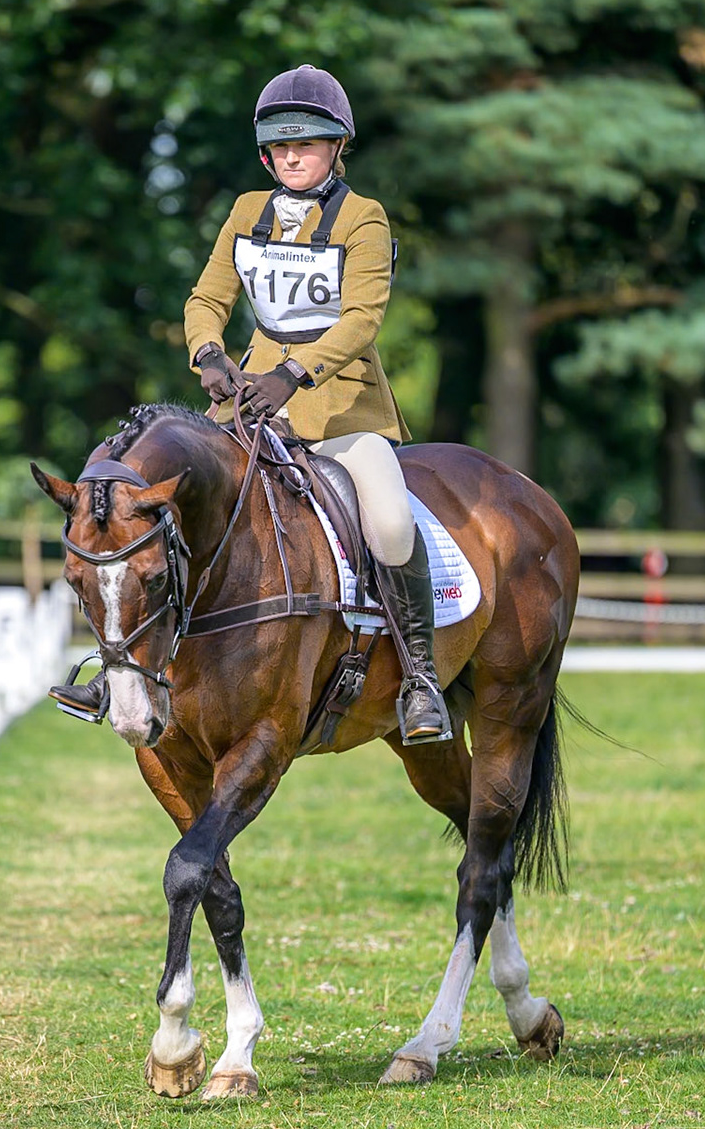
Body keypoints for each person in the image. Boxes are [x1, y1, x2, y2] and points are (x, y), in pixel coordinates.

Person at [53, 64, 452, 745]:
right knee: (168, 514)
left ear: (337, 147)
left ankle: (421, 679)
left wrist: (295, 371)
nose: (293, 157)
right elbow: (206, 299)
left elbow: (362, 318)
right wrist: (209, 353)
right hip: (248, 405)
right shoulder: (247, 211)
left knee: (388, 523)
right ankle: (121, 665)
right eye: (281, 147)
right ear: (267, 153)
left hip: (342, 409)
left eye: (309, 144)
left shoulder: (363, 217)